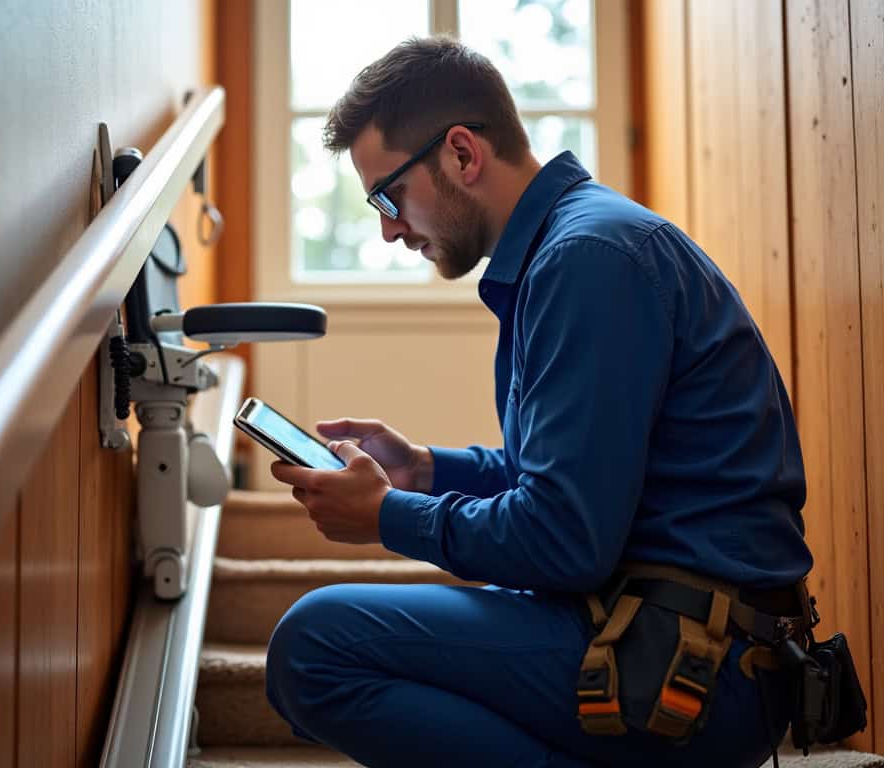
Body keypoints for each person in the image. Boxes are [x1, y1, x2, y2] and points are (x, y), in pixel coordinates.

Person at [264, 36, 813, 768]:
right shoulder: (576, 247)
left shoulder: (589, 260)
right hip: (663, 631)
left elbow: (562, 540)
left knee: (315, 644)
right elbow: (562, 483)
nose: (389, 228)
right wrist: (425, 470)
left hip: (692, 664)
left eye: (386, 197)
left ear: (462, 154)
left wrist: (388, 517)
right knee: (338, 637)